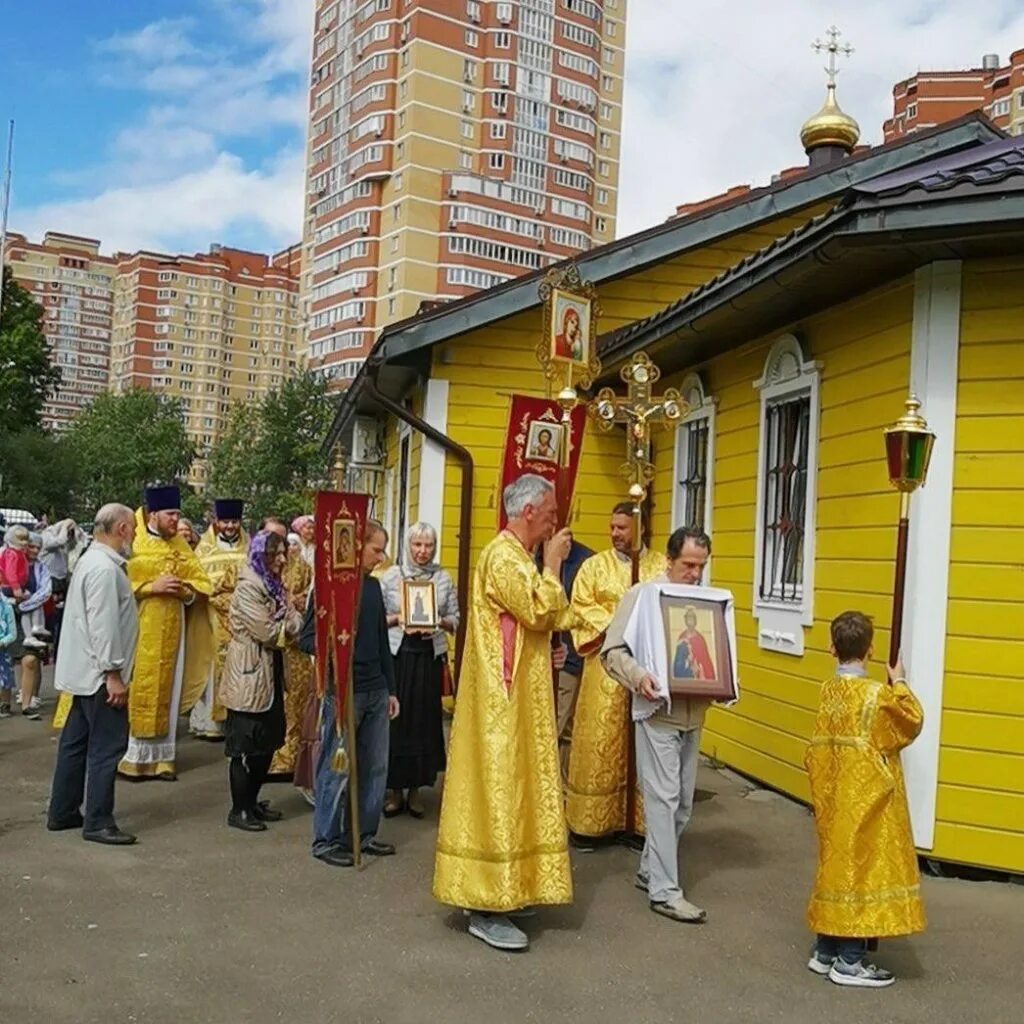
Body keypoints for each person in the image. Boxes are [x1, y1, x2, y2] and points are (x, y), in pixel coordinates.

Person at [434, 474, 574, 952]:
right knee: (499, 791)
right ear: (529, 511)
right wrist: (555, 564)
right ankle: (487, 903)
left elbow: (547, 621)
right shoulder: (504, 556)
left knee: (520, 788)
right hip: (502, 703)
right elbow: (539, 610)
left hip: (519, 701)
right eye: (551, 512)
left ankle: (511, 885)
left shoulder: (516, 556)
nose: (557, 520)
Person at [805, 612, 925, 988]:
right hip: (869, 798)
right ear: (871, 649)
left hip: (833, 794)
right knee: (862, 872)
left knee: (835, 866)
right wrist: (900, 679)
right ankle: (851, 962)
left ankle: (825, 951)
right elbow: (911, 722)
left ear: (831, 647)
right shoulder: (877, 694)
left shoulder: (828, 690)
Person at [601, 526, 714, 924]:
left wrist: (723, 680)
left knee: (682, 803)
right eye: (688, 565)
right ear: (669, 560)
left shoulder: (706, 603)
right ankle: (665, 892)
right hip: (656, 713)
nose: (695, 574)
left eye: (701, 566)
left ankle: (650, 869)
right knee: (663, 800)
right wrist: (638, 677)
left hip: (693, 712)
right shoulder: (643, 596)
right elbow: (611, 651)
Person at [565, 503, 664, 842]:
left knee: (644, 741)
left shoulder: (660, 566)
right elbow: (579, 606)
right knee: (601, 738)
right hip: (605, 666)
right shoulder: (594, 567)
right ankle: (593, 824)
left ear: (640, 528)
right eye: (612, 527)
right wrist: (620, 627)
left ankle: (639, 823)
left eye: (622, 528)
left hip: (647, 666)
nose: (615, 534)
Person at [304, 519, 399, 866]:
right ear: (357, 547)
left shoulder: (373, 588)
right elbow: (306, 637)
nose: (381, 556)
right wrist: (331, 657)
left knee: (374, 767)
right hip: (343, 691)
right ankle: (326, 840)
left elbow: (382, 642)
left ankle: (362, 833)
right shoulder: (330, 587)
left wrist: (390, 688)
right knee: (336, 766)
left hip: (374, 689)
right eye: (376, 549)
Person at [47, 504, 140, 845]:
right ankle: (99, 820)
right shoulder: (104, 568)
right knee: (106, 748)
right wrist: (113, 672)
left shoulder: (92, 560)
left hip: (85, 672)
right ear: (121, 529)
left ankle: (63, 810)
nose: (134, 534)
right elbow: (104, 626)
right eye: (132, 527)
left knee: (74, 744)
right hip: (101, 675)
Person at [118, 484, 213, 781]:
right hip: (138, 629)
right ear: (154, 513)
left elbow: (202, 583)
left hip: (174, 632)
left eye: (178, 514)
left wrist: (185, 593)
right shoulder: (132, 542)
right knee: (136, 688)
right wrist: (149, 588)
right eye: (171, 514)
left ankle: (162, 760)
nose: (176, 520)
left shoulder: (179, 546)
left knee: (168, 692)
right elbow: (116, 584)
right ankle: (131, 758)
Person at [219, 531, 303, 831]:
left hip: (270, 673)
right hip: (249, 674)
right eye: (274, 555)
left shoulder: (273, 584)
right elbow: (268, 633)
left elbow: (295, 618)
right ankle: (239, 809)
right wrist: (288, 623)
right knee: (246, 745)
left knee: (267, 742)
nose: (281, 560)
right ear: (259, 556)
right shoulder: (248, 587)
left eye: (283, 553)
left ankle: (252, 800)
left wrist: (288, 621)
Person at [379, 523, 459, 819]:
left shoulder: (443, 578)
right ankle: (394, 792)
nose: (423, 551)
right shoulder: (391, 577)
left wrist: (438, 621)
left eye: (428, 546)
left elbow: (456, 619)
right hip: (398, 658)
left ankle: (415, 792)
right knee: (396, 723)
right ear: (408, 546)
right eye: (417, 545)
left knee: (423, 723)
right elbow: (378, 618)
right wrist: (400, 618)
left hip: (427, 658)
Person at [189, 499, 249, 741]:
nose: (230, 526)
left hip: (243, 618)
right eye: (226, 521)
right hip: (213, 618)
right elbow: (199, 580)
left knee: (241, 667)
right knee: (213, 666)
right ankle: (211, 723)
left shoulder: (249, 547)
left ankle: (237, 720)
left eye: (234, 521)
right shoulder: (203, 549)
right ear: (217, 522)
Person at [268, 518, 315, 779]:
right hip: (263, 645)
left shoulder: (301, 566)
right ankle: (265, 758)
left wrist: (300, 602)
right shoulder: (253, 566)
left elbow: (314, 598)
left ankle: (291, 756)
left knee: (296, 701)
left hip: (294, 646)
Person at [0, 525, 50, 651]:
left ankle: (33, 633)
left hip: (29, 611)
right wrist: (14, 596)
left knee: (31, 660)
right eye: (31, 546)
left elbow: (45, 591)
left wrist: (27, 603)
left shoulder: (42, 568)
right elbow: (9, 576)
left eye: (38, 548)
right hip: (10, 615)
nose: (35, 550)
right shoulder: (12, 556)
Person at [39, 518, 77, 654]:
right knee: (50, 617)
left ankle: (58, 646)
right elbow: (60, 541)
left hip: (61, 579)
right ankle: (47, 647)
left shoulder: (61, 537)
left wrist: (71, 534)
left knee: (60, 616)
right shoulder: (46, 536)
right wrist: (65, 526)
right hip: (50, 580)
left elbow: (71, 546)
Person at [0, 592, 16, 718]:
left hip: (3, 648)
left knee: (5, 677)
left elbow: (12, 633)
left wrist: (2, 642)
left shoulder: (7, 608)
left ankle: (5, 704)